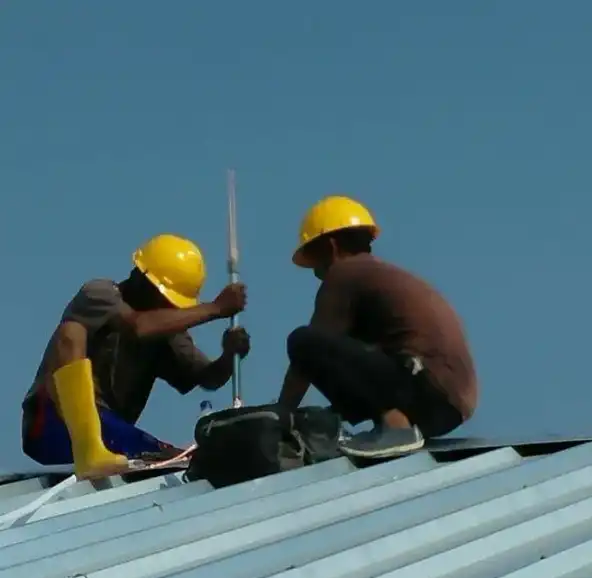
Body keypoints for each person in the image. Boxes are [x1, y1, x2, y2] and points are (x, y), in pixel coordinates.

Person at [21, 233, 250, 479]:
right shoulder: (100, 294)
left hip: (112, 431)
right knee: (71, 332)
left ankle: (102, 452)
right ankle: (89, 447)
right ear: (142, 280)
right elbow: (138, 327)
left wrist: (228, 356)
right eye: (165, 298)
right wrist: (215, 308)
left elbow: (207, 377)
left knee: (176, 459)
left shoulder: (166, 331)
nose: (169, 307)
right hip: (51, 423)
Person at [277, 195, 478, 459]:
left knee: (303, 342)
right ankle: (394, 426)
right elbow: (355, 364)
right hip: (451, 403)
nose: (315, 272)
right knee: (349, 351)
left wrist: (279, 418)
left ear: (332, 246)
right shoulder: (377, 276)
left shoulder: (345, 273)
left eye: (314, 258)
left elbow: (309, 358)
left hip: (425, 385)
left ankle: (396, 428)